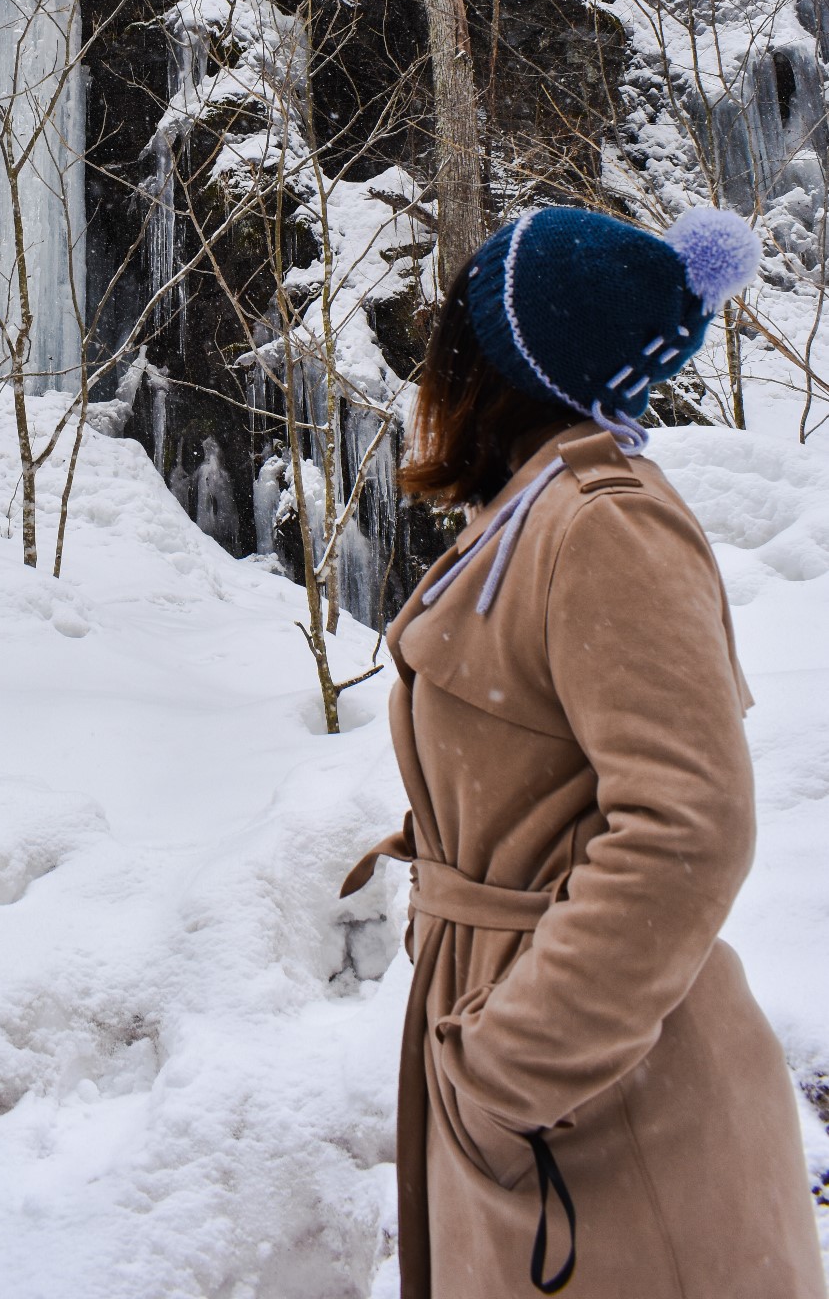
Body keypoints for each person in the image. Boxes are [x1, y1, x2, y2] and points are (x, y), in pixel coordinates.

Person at [341, 205, 826, 1299]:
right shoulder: (537, 507)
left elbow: (687, 829)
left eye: (450, 333)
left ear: (500, 363)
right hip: (556, 1074)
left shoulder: (601, 518)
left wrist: (512, 1071)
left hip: (608, 1107)